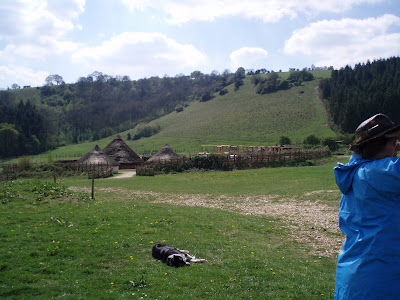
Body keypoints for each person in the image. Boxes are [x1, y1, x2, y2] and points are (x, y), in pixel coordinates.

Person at [333, 113, 400, 299]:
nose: (397, 149)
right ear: (378, 145)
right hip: (380, 279)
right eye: (394, 143)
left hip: (354, 274)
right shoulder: (378, 173)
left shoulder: (355, 173)